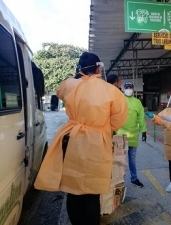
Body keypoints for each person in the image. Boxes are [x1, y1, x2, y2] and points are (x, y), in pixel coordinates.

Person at [34, 52, 128, 225]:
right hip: (98, 143)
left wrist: (77, 77)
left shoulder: (69, 84)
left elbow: (60, 92)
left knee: (73, 189)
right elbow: (118, 120)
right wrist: (103, 127)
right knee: (92, 193)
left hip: (73, 141)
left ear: (80, 68)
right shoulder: (111, 91)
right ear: (99, 68)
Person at [116, 81, 147, 188]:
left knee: (132, 159)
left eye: (130, 87)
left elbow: (141, 117)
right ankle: (119, 179)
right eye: (127, 87)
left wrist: (144, 130)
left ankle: (134, 178)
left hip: (133, 135)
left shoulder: (137, 102)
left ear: (133, 90)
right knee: (120, 160)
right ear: (123, 89)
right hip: (120, 135)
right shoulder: (119, 101)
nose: (129, 89)